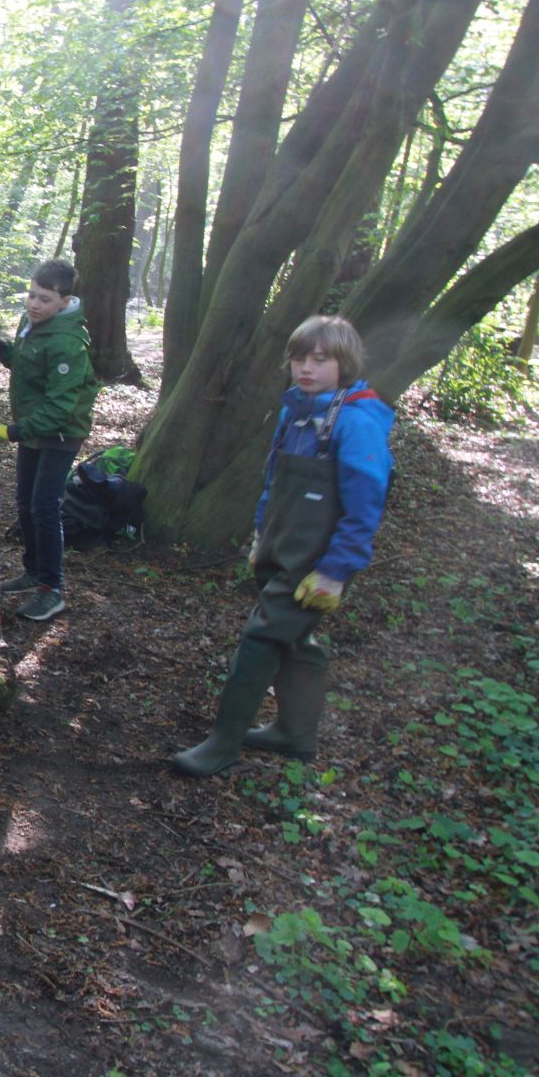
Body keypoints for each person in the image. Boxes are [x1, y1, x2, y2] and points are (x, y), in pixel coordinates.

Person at [173, 316, 393, 777]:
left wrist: (335, 572)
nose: (305, 368)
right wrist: (260, 536)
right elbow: (273, 483)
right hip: (280, 548)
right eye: (298, 358)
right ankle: (295, 734)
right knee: (295, 644)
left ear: (344, 363)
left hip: (315, 561)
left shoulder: (357, 422)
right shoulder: (297, 411)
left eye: (319, 359)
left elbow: (365, 506)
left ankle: (223, 743)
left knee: (262, 639)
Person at [0, 258, 97, 622]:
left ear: (64, 301)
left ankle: (52, 588)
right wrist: (0, 348)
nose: (34, 304)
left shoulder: (67, 341)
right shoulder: (33, 324)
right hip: (35, 426)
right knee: (26, 502)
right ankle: (33, 571)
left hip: (60, 433)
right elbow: (29, 368)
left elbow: (61, 406)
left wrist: (11, 432)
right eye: (31, 295)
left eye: (44, 299)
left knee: (44, 506)